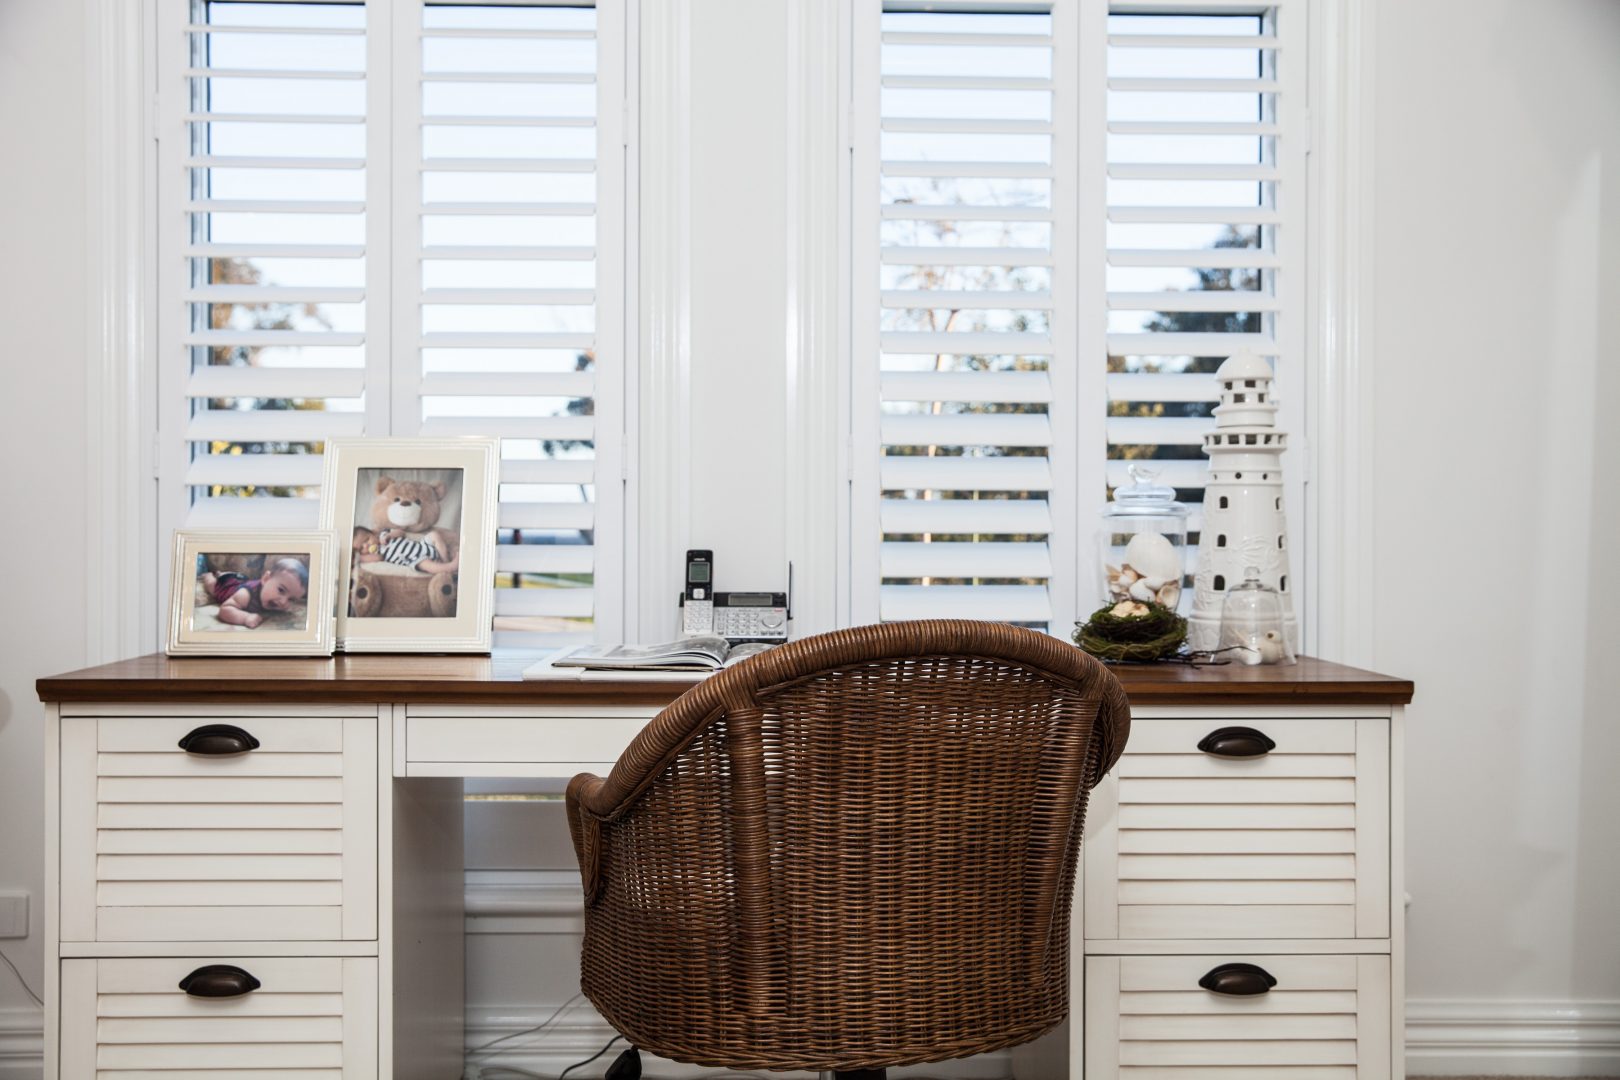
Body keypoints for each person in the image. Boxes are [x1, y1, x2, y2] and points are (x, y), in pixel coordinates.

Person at [199, 557, 309, 629]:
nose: (284, 601)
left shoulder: (271, 596)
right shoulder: (245, 595)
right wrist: (245, 617)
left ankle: (220, 573)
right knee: (212, 587)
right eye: (281, 590)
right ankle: (209, 575)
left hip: (241, 579)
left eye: (291, 599)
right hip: (226, 584)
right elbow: (224, 610)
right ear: (265, 579)